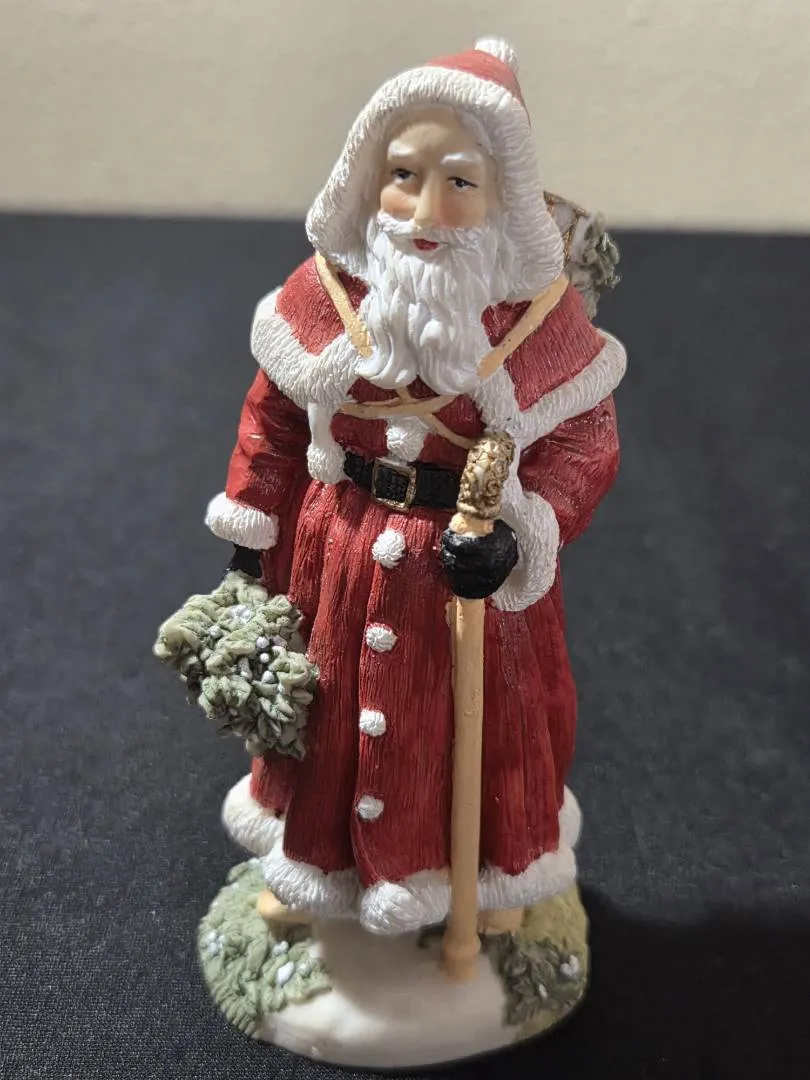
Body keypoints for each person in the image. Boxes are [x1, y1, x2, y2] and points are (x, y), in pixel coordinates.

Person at [205, 36, 626, 935]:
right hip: (338, 557)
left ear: (502, 194)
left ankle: (486, 879)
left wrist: (521, 534)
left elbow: (582, 446)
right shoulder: (325, 296)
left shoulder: (539, 323)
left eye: (459, 181)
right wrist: (252, 530)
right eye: (405, 175)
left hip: (470, 578)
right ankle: (314, 863)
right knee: (327, 717)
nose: (427, 209)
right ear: (370, 175)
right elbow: (274, 417)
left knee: (472, 734)